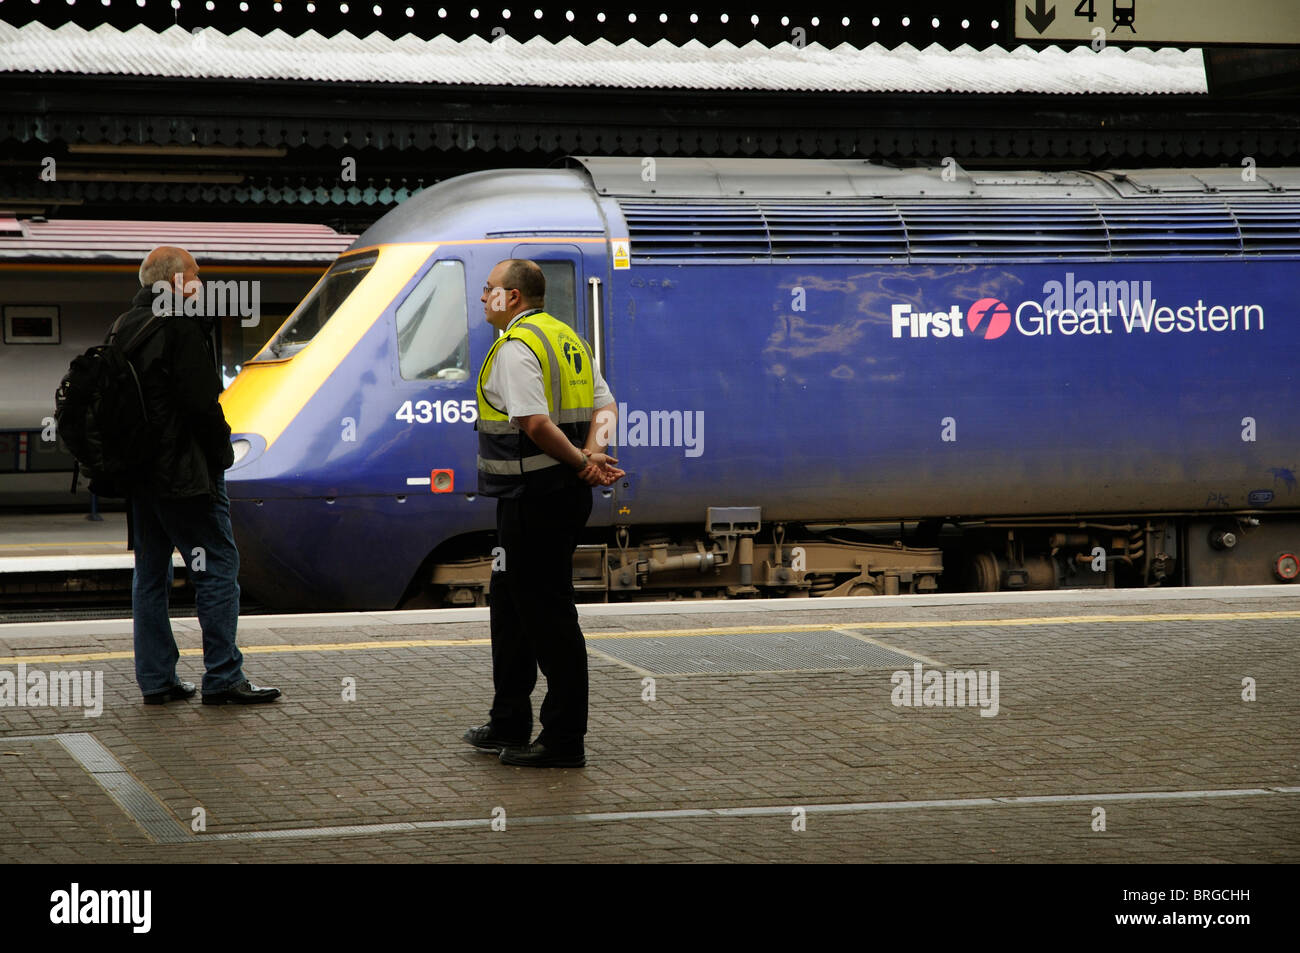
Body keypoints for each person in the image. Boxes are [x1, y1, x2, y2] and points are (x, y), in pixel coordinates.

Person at [463, 259, 623, 768]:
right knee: (509, 606)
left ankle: (563, 741)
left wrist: (583, 463)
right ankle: (508, 720)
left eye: (488, 289)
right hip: (542, 498)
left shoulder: (517, 348)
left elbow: (533, 422)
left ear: (511, 298)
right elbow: (607, 408)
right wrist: (594, 456)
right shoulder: (568, 340)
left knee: (549, 616)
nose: (481, 296)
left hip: (537, 498)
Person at [121, 246, 280, 706]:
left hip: (140, 475)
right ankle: (224, 677)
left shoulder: (123, 327)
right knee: (217, 568)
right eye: (196, 274)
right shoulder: (179, 325)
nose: (202, 283)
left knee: (150, 573)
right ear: (175, 281)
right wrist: (221, 453)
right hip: (185, 473)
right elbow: (200, 404)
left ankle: (156, 680)